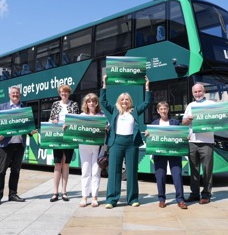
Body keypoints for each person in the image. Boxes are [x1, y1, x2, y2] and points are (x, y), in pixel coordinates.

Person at [99, 74, 152, 209]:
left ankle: (133, 199)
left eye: (127, 100)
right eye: (122, 100)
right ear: (119, 101)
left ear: (130, 102)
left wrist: (147, 87)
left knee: (132, 171)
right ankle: (111, 199)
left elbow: (147, 103)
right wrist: (104, 84)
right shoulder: (114, 111)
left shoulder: (134, 111)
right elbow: (103, 102)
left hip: (131, 143)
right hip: (116, 142)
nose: (124, 102)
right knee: (114, 172)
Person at [182, 83, 228, 205]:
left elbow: (225, 116)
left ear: (204, 91)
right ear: (193, 93)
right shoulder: (190, 105)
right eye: (195, 92)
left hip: (207, 142)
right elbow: (183, 122)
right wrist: (187, 120)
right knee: (193, 170)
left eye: (199, 91)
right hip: (192, 142)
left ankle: (206, 194)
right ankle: (194, 194)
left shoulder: (211, 104)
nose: (197, 94)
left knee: (207, 170)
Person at [0, 85, 37, 206]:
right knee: (1, 171)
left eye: (17, 93)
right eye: (13, 93)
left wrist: (31, 131)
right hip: (5, 145)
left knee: (15, 171)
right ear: (9, 95)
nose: (15, 95)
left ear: (20, 95)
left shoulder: (24, 108)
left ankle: (12, 194)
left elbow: (27, 127)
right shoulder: (2, 107)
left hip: (19, 144)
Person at [145, 101, 187, 209]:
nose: (164, 111)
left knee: (177, 176)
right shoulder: (154, 124)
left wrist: (185, 137)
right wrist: (147, 134)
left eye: (165, 109)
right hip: (159, 154)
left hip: (174, 154)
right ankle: (162, 199)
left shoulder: (175, 122)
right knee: (160, 177)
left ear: (168, 110)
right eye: (161, 109)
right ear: (158, 111)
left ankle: (180, 200)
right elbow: (151, 138)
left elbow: (181, 135)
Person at [49, 84, 79, 202]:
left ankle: (64, 192)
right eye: (62, 92)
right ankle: (55, 192)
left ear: (69, 93)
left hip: (69, 136)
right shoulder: (55, 104)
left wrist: (69, 123)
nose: (64, 94)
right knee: (57, 164)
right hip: (57, 136)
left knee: (66, 164)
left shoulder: (74, 104)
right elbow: (51, 118)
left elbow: (76, 120)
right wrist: (54, 121)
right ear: (59, 93)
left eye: (66, 92)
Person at [79, 93, 105, 207]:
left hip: (98, 147)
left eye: (93, 101)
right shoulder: (81, 115)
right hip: (84, 147)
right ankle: (84, 196)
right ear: (86, 103)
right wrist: (67, 126)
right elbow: (75, 128)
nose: (91, 103)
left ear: (96, 103)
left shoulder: (102, 115)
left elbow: (107, 128)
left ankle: (94, 196)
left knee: (96, 172)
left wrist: (106, 128)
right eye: (89, 101)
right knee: (85, 171)